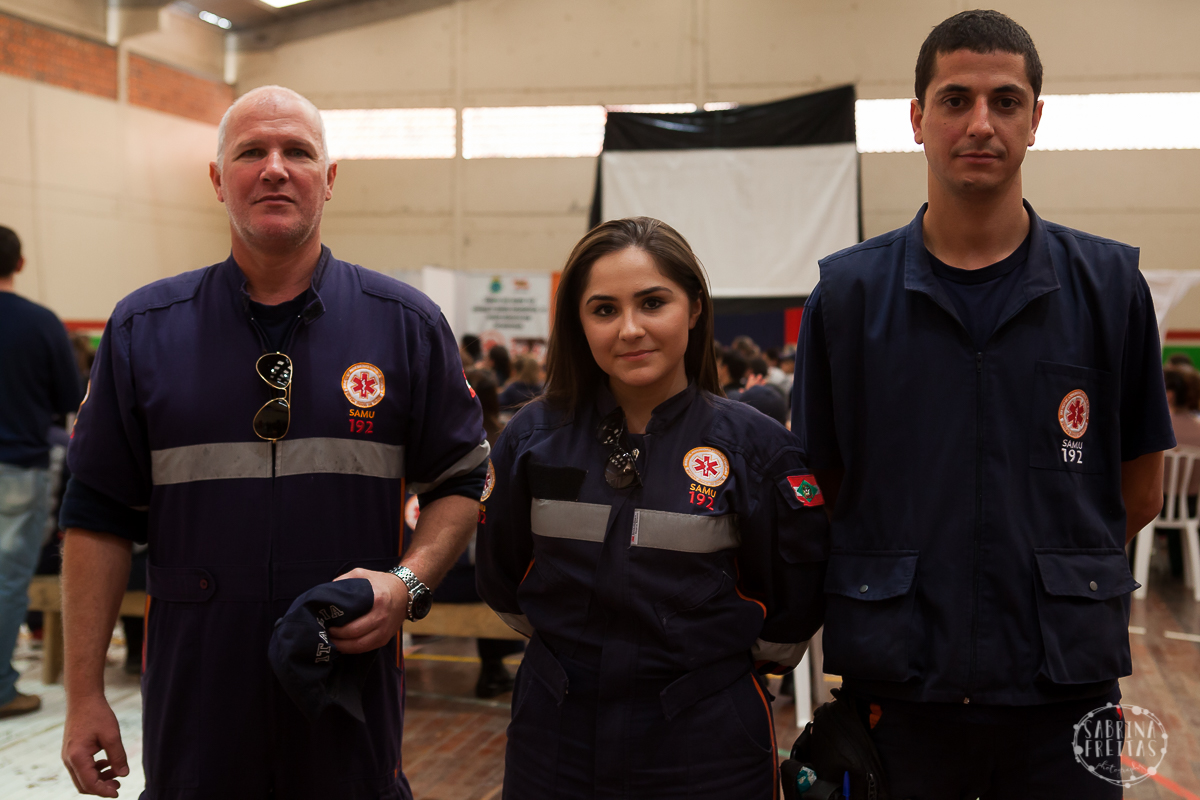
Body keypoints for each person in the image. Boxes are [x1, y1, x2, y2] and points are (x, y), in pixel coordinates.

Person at [58, 86, 488, 799]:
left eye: (298, 151)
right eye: (251, 152)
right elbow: (95, 515)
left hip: (348, 692)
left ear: (331, 178)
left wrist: (406, 584)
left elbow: (462, 481)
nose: (275, 168)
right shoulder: (144, 329)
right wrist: (83, 694)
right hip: (196, 701)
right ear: (218, 179)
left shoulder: (405, 325)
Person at [792, 11, 1174, 798]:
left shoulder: (1110, 290)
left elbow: (1137, 493)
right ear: (917, 119)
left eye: (1005, 101)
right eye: (955, 99)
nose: (980, 123)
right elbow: (823, 488)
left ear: (1036, 120)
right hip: (897, 693)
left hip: (1068, 692)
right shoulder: (848, 296)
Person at [476, 217, 828, 799]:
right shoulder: (530, 439)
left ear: (693, 308)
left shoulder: (759, 450)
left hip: (704, 744)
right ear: (579, 323)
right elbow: (502, 577)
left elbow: (790, 608)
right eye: (604, 309)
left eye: (653, 302)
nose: (630, 329)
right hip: (556, 735)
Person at [0, 225, 82, 719]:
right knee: (9, 580)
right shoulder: (41, 323)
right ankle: (0, 688)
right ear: (21, 264)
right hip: (18, 467)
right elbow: (69, 401)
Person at [424, 368, 525, 698]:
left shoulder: (436, 443)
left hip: (426, 572)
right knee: (500, 569)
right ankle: (492, 670)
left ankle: (492, 670)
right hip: (472, 580)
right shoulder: (504, 441)